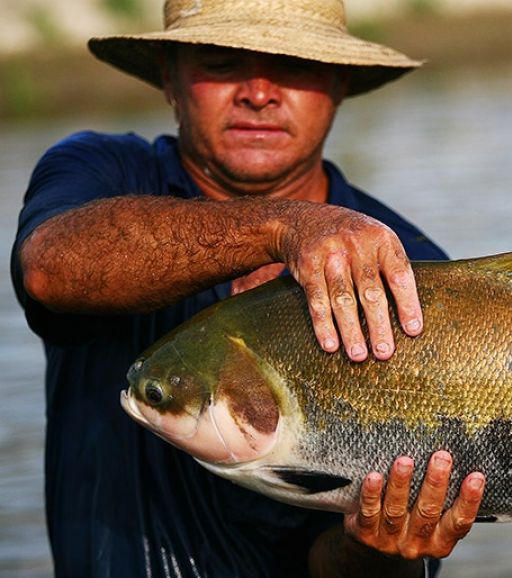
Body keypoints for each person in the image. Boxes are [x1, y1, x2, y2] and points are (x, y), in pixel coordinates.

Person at [10, 1, 485, 576]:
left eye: (293, 64)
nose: (258, 92)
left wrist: (372, 547)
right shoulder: (102, 172)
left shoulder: (413, 268)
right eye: (222, 60)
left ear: (339, 82)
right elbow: (49, 269)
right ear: (170, 76)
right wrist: (279, 227)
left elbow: (346, 563)